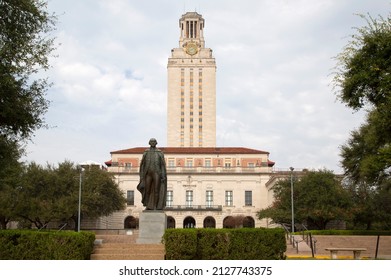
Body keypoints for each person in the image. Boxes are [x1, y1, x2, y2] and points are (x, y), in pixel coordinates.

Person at [137, 138, 167, 210]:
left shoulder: (159, 152)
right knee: (147, 190)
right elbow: (143, 164)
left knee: (157, 190)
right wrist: (142, 176)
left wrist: (163, 175)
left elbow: (162, 165)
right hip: (148, 173)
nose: (153, 143)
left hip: (157, 173)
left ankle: (156, 206)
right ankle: (148, 205)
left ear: (156, 143)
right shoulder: (146, 152)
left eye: (154, 142)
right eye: (151, 142)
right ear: (149, 143)